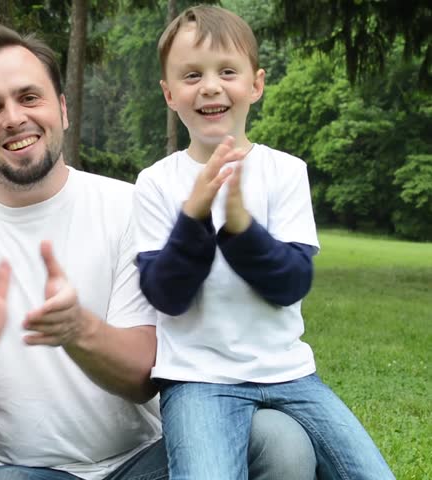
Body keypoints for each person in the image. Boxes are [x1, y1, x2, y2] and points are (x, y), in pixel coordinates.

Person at [0, 23, 317, 480]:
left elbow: (143, 376)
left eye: (29, 97)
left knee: (278, 441)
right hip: (22, 470)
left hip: (145, 462)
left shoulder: (129, 205)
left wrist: (78, 329)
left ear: (62, 109)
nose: (13, 118)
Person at [133, 6, 393, 479]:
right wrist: (194, 218)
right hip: (199, 381)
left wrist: (239, 228)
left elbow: (290, 282)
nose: (210, 86)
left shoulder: (285, 172)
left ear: (256, 84)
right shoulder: (156, 183)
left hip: (290, 374)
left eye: (226, 71)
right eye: (192, 75)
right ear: (169, 95)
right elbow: (165, 296)